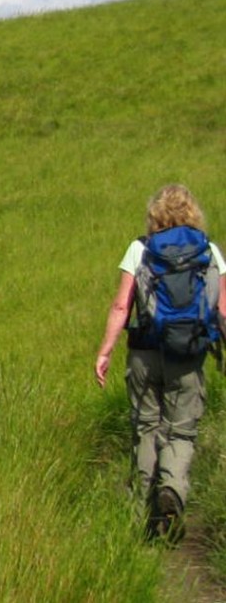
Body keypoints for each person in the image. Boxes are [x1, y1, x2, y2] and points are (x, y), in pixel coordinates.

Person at [96, 184, 226, 542]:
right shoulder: (209, 251)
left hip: (144, 354)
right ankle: (172, 489)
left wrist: (106, 350)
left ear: (154, 214)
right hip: (188, 357)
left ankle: (143, 511)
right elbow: (222, 309)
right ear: (193, 213)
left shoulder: (140, 249)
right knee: (181, 431)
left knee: (146, 427)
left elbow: (122, 305)